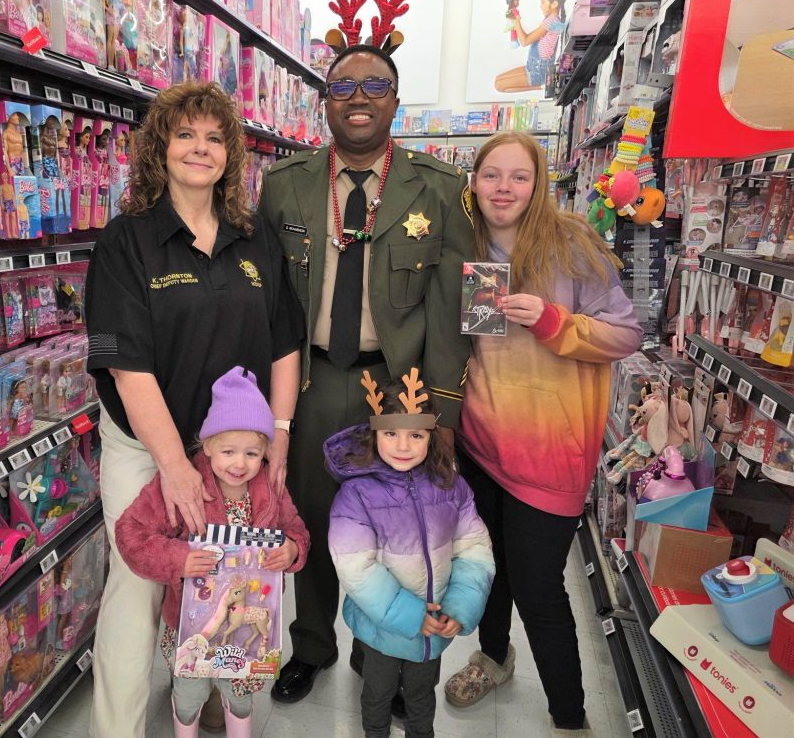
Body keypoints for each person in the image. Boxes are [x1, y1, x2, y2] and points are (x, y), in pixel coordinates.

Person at [84, 82, 303, 738]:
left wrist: (281, 440)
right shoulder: (127, 242)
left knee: (231, 573)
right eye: (185, 135)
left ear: (231, 154)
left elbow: (286, 341)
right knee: (138, 588)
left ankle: (209, 697)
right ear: (160, 148)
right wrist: (174, 465)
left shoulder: (253, 234)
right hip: (148, 447)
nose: (200, 149)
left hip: (235, 455)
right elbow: (128, 365)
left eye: (214, 138)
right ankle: (117, 729)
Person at [258, 42, 474, 705]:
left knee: (397, 534)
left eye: (375, 84)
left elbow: (457, 311)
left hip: (398, 390)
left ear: (396, 101)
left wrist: (441, 415)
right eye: (343, 86)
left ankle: (384, 655)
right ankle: (313, 644)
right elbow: (263, 302)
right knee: (314, 519)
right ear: (323, 100)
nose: (358, 97)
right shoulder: (283, 183)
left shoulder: (439, 188)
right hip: (312, 383)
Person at [442, 131, 641, 736]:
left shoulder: (572, 245)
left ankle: (569, 715)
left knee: (538, 589)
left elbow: (626, 335)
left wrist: (556, 321)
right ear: (472, 180)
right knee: (489, 568)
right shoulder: (462, 244)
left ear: (539, 183)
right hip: (481, 446)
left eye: (519, 176)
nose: (504, 188)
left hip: (551, 457)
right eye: (491, 174)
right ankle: (494, 658)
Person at [115, 367, 310, 737]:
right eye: (228, 451)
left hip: (249, 628)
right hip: (191, 625)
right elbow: (130, 532)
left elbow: (296, 530)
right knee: (188, 695)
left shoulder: (270, 487)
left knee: (240, 699)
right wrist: (178, 558)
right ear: (206, 445)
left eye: (252, 453)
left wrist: (292, 549)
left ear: (267, 450)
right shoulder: (182, 482)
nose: (240, 464)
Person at [328, 371, 494, 738]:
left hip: (433, 629)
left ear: (431, 437)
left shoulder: (451, 486)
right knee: (377, 696)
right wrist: (410, 616)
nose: (403, 446)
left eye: (415, 435)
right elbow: (355, 566)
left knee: (422, 699)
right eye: (391, 433)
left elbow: (474, 549)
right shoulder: (356, 496)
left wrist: (459, 607)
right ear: (374, 433)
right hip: (382, 630)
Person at [494, 0, 568, 93]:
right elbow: (528, 38)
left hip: (538, 71)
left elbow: (524, 42)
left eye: (543, 2)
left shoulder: (550, 21)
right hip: (534, 66)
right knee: (497, 81)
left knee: (499, 86)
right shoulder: (554, 19)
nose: (540, 6)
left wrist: (516, 21)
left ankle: (541, 86)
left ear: (554, 4)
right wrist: (517, 22)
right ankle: (541, 86)